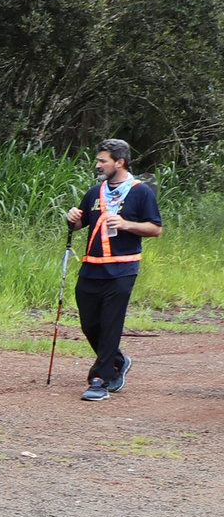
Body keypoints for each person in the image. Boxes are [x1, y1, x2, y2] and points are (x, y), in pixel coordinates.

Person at [64, 138, 163, 402]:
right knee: (89, 324)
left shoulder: (141, 192)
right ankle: (118, 361)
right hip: (91, 268)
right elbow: (79, 225)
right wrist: (72, 217)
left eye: (102, 160)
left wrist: (126, 224)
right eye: (98, 160)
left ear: (120, 162)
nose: (98, 165)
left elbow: (155, 229)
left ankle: (100, 379)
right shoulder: (95, 192)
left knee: (110, 324)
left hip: (122, 269)